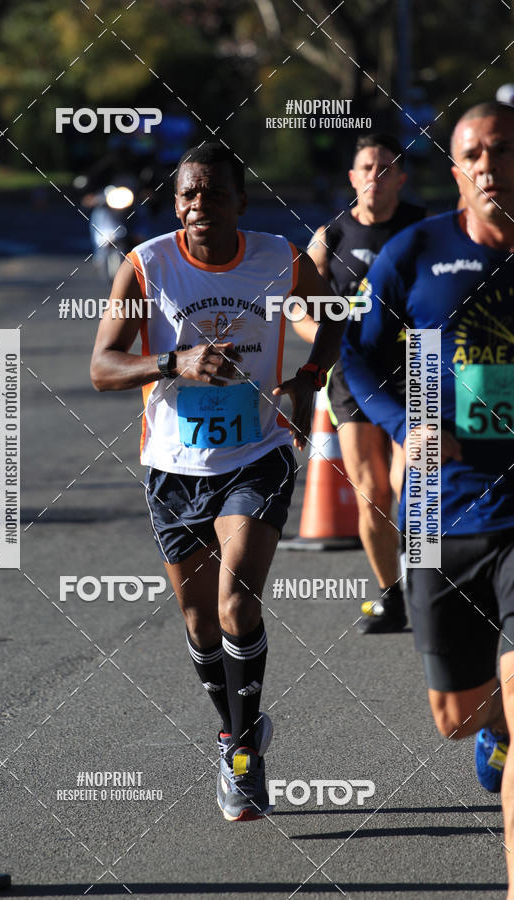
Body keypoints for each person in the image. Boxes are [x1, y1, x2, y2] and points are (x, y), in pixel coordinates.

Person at [90, 142, 344, 822]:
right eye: (186, 197)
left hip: (256, 454)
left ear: (240, 201)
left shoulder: (278, 257)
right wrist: (174, 360)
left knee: (236, 604)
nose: (198, 206)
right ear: (176, 205)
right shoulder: (148, 265)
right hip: (173, 467)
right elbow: (103, 366)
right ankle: (235, 730)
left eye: (211, 194)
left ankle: (244, 763)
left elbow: (336, 320)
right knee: (201, 623)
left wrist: (307, 379)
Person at [341, 102, 514, 893]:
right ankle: (496, 729)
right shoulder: (414, 254)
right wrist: (400, 427)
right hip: (440, 516)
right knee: (456, 717)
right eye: (472, 154)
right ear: (454, 172)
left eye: (502, 151)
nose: (488, 165)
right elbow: (358, 359)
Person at [295, 133, 424, 633]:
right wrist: (328, 344)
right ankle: (392, 597)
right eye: (366, 167)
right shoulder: (330, 238)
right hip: (353, 372)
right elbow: (299, 310)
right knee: (372, 493)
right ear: (353, 178)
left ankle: (427, 574)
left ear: (401, 177)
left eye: (386, 167)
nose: (376, 175)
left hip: (417, 366)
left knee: (411, 482)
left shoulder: (423, 228)